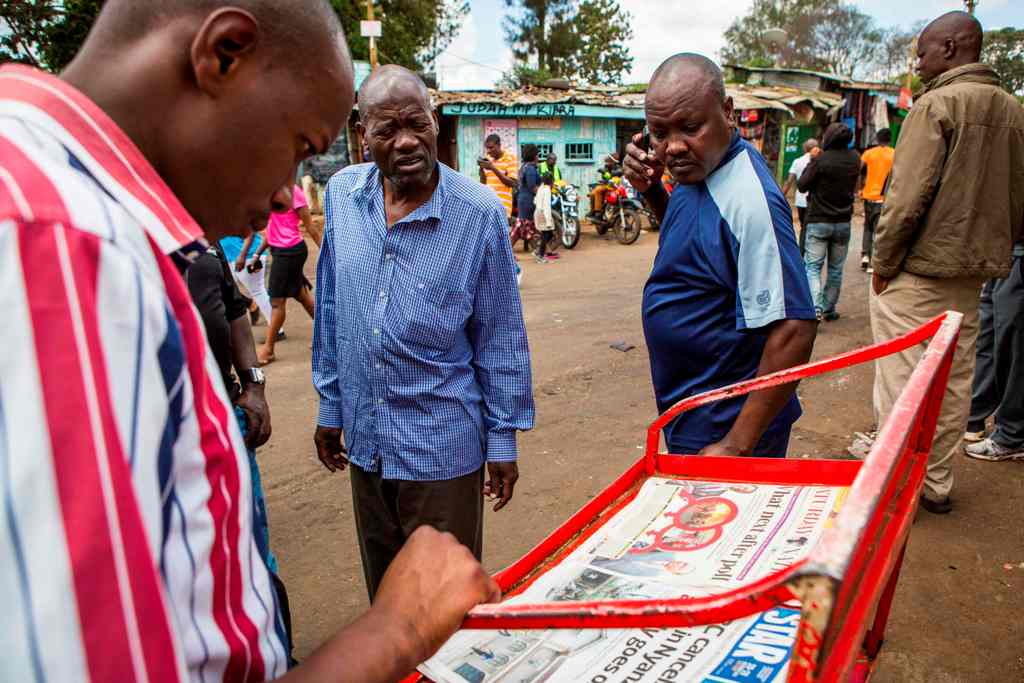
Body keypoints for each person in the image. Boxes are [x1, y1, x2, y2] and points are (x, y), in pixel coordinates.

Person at [0, 2, 501, 681]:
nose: (285, 196)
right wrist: (397, 628)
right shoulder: (66, 243)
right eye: (298, 148)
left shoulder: (90, 212)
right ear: (224, 55)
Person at [313, 65, 535, 599]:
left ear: (435, 121)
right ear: (363, 135)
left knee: (444, 605)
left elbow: (500, 335)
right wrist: (330, 407)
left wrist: (501, 438)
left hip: (443, 451)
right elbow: (330, 304)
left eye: (417, 124)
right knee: (386, 597)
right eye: (388, 130)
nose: (407, 141)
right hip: (367, 445)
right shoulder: (343, 196)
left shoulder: (478, 213)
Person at [623, 54, 817, 458]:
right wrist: (652, 190)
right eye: (658, 132)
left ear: (728, 113)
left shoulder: (750, 202)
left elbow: (794, 329)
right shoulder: (698, 170)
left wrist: (736, 444)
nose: (672, 147)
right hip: (691, 408)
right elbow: (695, 244)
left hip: (725, 421)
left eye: (690, 127)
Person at [870, 11, 1024, 514]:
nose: (919, 62)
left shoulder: (937, 105)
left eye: (923, 51)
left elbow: (906, 198)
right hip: (975, 272)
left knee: (902, 380)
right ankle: (934, 482)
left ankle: (895, 484)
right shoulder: (1014, 111)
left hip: (919, 271)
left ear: (953, 47)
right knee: (954, 380)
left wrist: (883, 263)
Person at [184, 239, 294, 658]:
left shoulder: (201, 244)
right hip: (166, 443)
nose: (279, 199)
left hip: (226, 426)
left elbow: (233, 310)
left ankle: (276, 654)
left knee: (254, 556)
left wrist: (253, 384)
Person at [963, 244, 1024, 461]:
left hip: (1018, 255)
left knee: (1015, 347)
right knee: (990, 337)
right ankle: (975, 414)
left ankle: (1011, 435)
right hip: (1003, 252)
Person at [797, 122, 861, 322]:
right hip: (843, 222)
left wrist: (812, 161)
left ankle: (814, 308)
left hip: (819, 221)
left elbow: (802, 185)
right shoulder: (855, 159)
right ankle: (829, 308)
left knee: (813, 267)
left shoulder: (821, 159)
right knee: (835, 268)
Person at [250, 184, 316, 365]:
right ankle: (329, 336)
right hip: (280, 251)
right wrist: (257, 254)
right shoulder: (269, 191)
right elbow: (272, 230)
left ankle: (269, 350)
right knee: (301, 295)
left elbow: (310, 226)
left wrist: (328, 255)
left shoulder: (294, 192)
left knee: (277, 302)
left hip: (290, 252)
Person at [858, 129, 894, 271]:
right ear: (890, 139)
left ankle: (865, 255)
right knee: (878, 229)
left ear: (877, 139)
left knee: (867, 226)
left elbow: (859, 170)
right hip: (885, 197)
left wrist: (860, 188)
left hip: (868, 196)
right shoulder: (894, 154)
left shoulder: (869, 153)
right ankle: (873, 261)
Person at [222, 230, 273, 323]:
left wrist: (243, 255)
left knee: (258, 291)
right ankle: (250, 304)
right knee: (224, 289)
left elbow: (250, 230)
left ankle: (277, 330)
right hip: (230, 257)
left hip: (248, 255)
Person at [780, 138, 819, 255]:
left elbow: (789, 181)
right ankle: (807, 252)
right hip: (814, 200)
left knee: (803, 226)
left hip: (801, 200)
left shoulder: (797, 161)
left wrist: (781, 197)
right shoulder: (820, 160)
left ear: (805, 148)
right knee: (812, 227)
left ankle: (802, 252)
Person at [478, 133, 518, 220]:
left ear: (499, 145)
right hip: (488, 207)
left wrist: (492, 168)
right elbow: (483, 184)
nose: (488, 151)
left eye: (491, 147)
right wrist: (481, 169)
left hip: (502, 208)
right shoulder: (488, 159)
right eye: (487, 148)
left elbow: (512, 183)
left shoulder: (510, 158)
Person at [511, 143, 541, 252]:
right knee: (523, 226)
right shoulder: (530, 169)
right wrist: (544, 194)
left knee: (528, 227)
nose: (538, 157)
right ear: (533, 155)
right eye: (537, 154)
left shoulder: (524, 166)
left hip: (523, 200)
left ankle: (540, 252)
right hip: (528, 200)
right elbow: (532, 187)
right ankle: (506, 252)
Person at [534, 173, 556, 263]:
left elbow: (535, 200)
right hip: (543, 213)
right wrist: (548, 221)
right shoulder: (547, 190)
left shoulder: (541, 188)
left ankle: (538, 251)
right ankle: (540, 256)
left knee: (549, 234)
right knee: (547, 235)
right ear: (551, 181)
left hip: (538, 212)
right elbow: (547, 206)